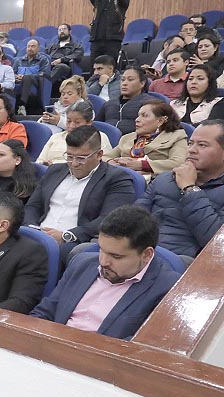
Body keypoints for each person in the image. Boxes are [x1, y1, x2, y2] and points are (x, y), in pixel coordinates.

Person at [30, 205, 180, 340]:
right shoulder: (81, 263)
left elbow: (141, 347)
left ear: (146, 255)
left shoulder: (169, 288)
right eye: (101, 250)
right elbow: (45, 313)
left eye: (116, 256)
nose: (103, 262)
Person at [25, 125, 137, 263]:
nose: (74, 163)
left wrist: (67, 235)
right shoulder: (54, 170)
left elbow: (109, 219)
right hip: (39, 233)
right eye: (69, 156)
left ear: (99, 154)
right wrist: (32, 229)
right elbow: (33, 206)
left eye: (81, 158)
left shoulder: (117, 178)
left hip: (74, 240)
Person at [134, 120, 224, 260]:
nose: (192, 150)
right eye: (190, 143)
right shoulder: (164, 179)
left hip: (188, 264)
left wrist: (190, 189)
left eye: (202, 145)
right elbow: (134, 218)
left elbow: (215, 244)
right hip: (142, 253)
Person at [104, 100, 189, 178]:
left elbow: (178, 163)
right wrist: (110, 162)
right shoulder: (127, 137)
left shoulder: (176, 136)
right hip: (120, 178)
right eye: (138, 116)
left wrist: (141, 165)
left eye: (144, 116)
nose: (137, 120)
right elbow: (104, 157)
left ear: (161, 121)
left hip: (154, 182)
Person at [36, 100, 112, 166]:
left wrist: (55, 166)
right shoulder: (55, 137)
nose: (71, 126)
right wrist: (43, 164)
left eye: (77, 122)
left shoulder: (99, 138)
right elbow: (40, 161)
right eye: (68, 121)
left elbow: (103, 162)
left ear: (89, 123)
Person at [86, 0, 129, 64]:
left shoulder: (123, 0)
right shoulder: (100, 1)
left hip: (112, 41)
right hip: (96, 39)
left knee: (110, 66)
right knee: (94, 68)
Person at [95, 67, 150, 135]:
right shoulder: (109, 103)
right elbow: (96, 125)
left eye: (130, 80)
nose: (124, 83)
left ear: (142, 83)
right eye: (123, 80)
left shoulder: (149, 103)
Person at [13, 38, 52, 115]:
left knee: (27, 77)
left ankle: (22, 105)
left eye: (33, 46)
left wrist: (25, 76)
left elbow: (44, 74)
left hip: (36, 82)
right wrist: (16, 76)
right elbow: (12, 73)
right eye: (28, 46)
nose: (30, 48)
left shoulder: (43, 60)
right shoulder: (19, 60)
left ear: (38, 48)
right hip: (19, 82)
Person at [45, 24, 85, 92]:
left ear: (70, 32)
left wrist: (61, 60)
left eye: (64, 29)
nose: (62, 31)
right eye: (60, 30)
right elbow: (44, 55)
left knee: (60, 67)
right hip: (50, 65)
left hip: (65, 66)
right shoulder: (52, 46)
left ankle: (44, 86)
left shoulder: (76, 46)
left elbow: (77, 55)